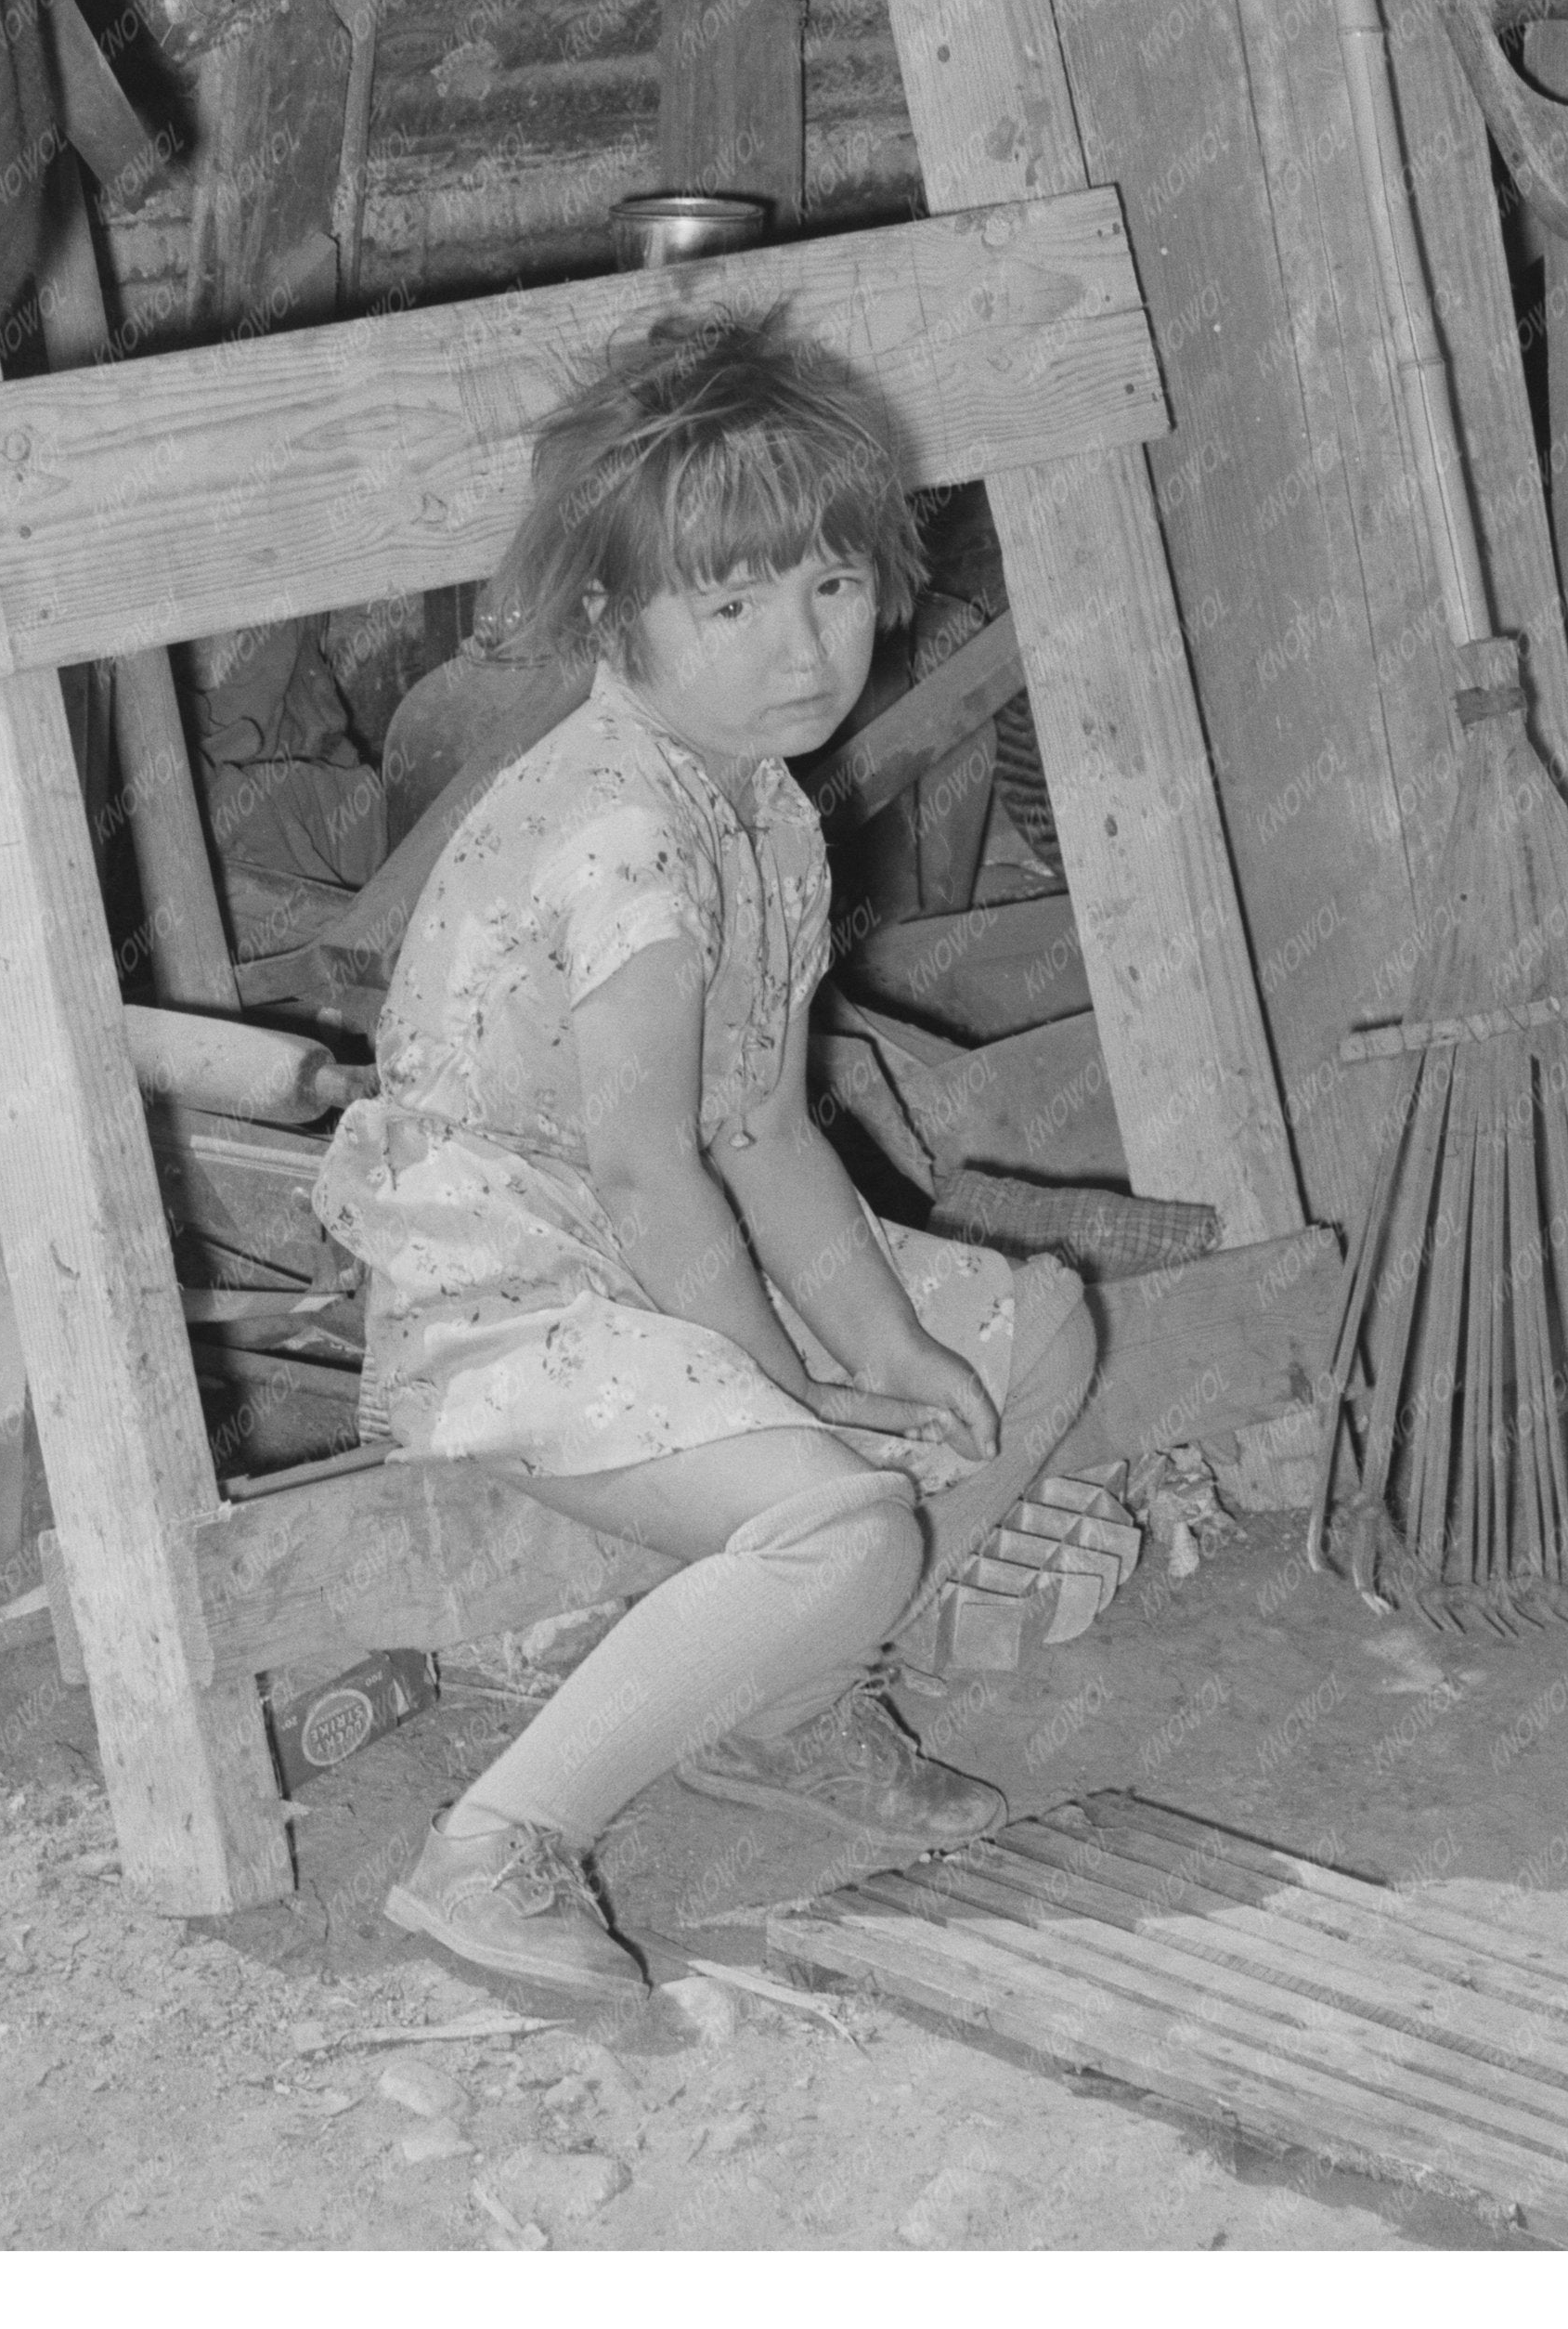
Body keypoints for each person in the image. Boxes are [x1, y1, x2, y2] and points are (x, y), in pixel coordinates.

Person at [314, 301, 1097, 2020]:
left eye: (827, 584)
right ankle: (494, 1844)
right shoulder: (622, 834)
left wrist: (888, 1349)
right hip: (513, 1297)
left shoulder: (753, 797)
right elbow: (653, 1168)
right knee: (839, 1521)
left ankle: (788, 1706)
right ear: (612, 614)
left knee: (1029, 1336)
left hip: (653, 1254)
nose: (799, 647)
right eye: (729, 604)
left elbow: (758, 1121)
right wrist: (793, 1398)